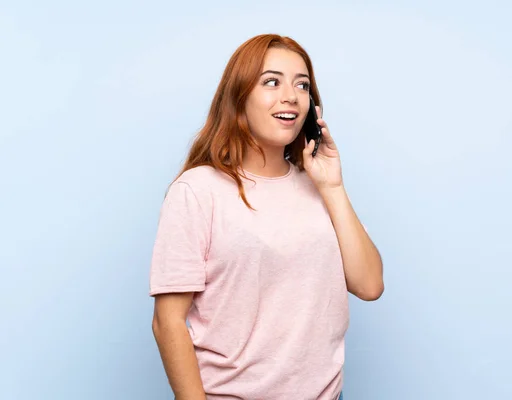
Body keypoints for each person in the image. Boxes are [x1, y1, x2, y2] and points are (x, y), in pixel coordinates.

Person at [149, 33, 384, 400]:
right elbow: (167, 323)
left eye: (302, 85)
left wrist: (333, 188)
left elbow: (369, 286)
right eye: (271, 81)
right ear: (239, 98)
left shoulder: (320, 188)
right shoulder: (198, 190)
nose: (290, 95)